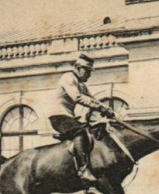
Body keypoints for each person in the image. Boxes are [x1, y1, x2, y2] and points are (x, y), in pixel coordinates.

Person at [49, 54, 115, 184]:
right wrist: (101, 108)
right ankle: (83, 169)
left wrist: (107, 110)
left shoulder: (81, 84)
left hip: (68, 116)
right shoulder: (68, 78)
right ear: (77, 68)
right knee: (80, 132)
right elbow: (78, 98)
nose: (89, 75)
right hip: (58, 117)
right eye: (87, 70)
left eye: (90, 71)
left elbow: (92, 99)